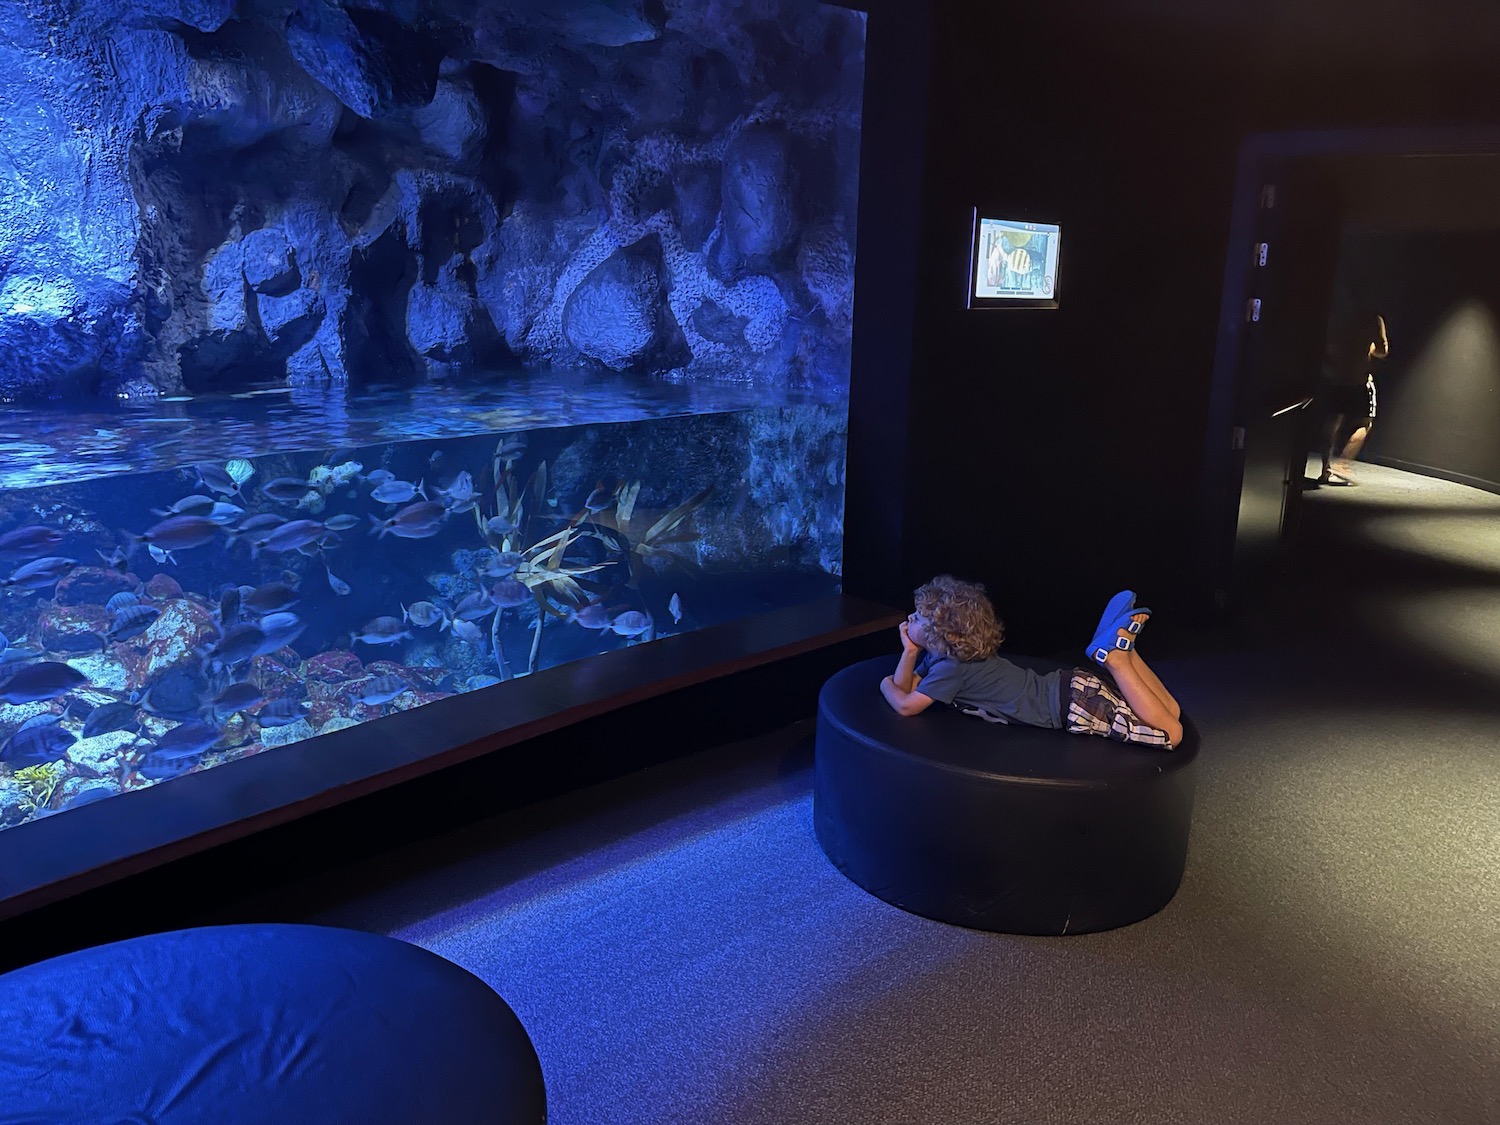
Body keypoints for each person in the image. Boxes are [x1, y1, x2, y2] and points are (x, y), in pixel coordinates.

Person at [879, 575, 1183, 749]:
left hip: (1075, 707)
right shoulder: (951, 656)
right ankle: (1126, 652)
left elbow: (906, 704)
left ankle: (1116, 660)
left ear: (939, 633)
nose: (909, 619)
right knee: (1172, 711)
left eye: (918, 617)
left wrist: (885, 684)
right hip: (1072, 686)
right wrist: (909, 652)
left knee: (1172, 734)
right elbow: (909, 686)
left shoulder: (950, 669)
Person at [1317, 308, 1389, 485]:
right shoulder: (1372, 318)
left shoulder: (1336, 314)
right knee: (1365, 422)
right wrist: (1368, 349)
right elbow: (1382, 350)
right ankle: (1342, 463)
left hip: (1334, 377)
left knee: (1331, 423)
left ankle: (1325, 469)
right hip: (1358, 380)